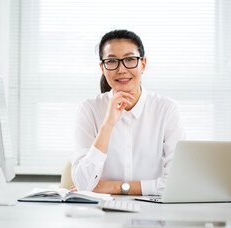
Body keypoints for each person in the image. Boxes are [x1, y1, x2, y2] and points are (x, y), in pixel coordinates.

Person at [71, 29, 185, 196]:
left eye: (130, 59)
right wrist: (107, 125)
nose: (121, 70)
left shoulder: (166, 109)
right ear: (103, 67)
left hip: (154, 212)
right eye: (111, 61)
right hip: (100, 214)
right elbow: (83, 184)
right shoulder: (89, 109)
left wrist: (116, 188)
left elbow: (177, 183)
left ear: (143, 64)